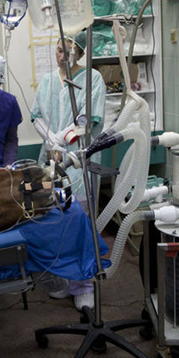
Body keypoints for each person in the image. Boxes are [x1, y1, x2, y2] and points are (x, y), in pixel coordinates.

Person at [31, 30, 106, 311]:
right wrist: (50, 139)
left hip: (77, 160)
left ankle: (83, 285)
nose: (61, 56)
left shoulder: (92, 79)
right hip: (50, 160)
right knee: (55, 221)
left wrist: (61, 141)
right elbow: (36, 115)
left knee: (80, 222)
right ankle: (63, 278)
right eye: (59, 49)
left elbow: (88, 121)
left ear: (80, 52)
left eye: (68, 50)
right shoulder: (48, 81)